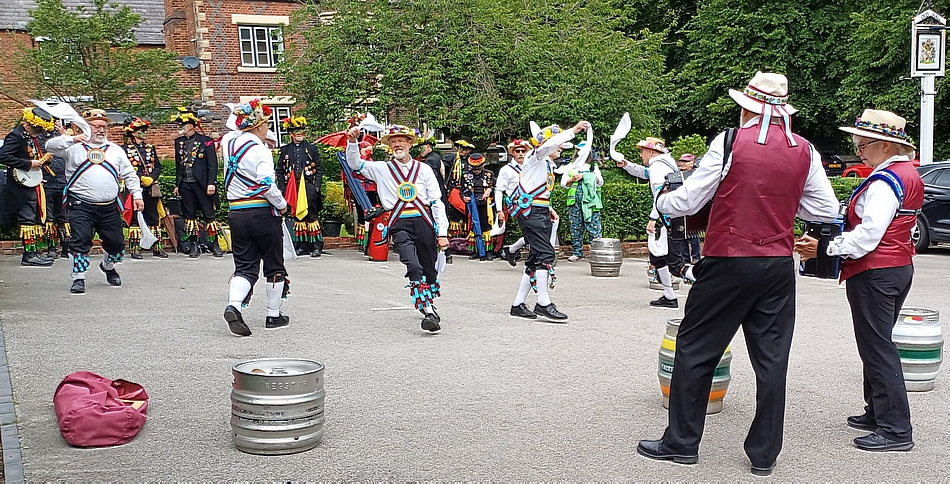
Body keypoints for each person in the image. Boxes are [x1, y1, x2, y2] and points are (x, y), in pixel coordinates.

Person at [637, 71, 840, 476]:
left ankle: (681, 443)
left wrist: (662, 203)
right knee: (772, 361)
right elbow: (826, 210)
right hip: (778, 264)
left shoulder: (730, 140)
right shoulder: (805, 149)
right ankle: (764, 455)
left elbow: (690, 199)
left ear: (747, 107)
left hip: (728, 260)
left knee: (696, 348)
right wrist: (783, 205)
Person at [796, 109, 922, 452]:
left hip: (875, 271)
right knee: (877, 344)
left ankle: (896, 429)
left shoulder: (884, 182)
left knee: (877, 348)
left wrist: (824, 248)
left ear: (884, 145)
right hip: (896, 267)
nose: (858, 151)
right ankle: (878, 413)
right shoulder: (907, 173)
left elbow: (868, 236)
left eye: (862, 144)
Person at [345, 124, 449, 333]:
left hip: (424, 221)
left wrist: (442, 233)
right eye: (393, 142)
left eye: (401, 141)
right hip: (399, 223)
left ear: (410, 144)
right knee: (413, 264)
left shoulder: (424, 169)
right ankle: (428, 312)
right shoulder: (381, 169)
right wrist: (353, 142)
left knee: (429, 268)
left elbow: (436, 201)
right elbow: (355, 164)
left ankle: (428, 303)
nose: (397, 145)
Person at [46, 109, 145, 294]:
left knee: (116, 243)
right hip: (80, 205)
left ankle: (107, 267)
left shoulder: (115, 150)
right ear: (85, 126)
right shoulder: (72, 148)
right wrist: (72, 139)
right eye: (96, 126)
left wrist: (137, 195)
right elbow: (50, 147)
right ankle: (78, 278)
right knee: (80, 240)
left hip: (109, 206)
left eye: (104, 127)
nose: (101, 130)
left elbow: (130, 174)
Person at [221, 100, 291, 337]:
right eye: (266, 125)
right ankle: (273, 315)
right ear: (259, 126)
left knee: (244, 265)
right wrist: (282, 204)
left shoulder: (228, 143)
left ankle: (234, 305)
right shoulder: (261, 151)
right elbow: (266, 184)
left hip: (237, 213)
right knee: (273, 263)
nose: (267, 128)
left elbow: (233, 130)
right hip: (262, 212)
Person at [507, 122, 587, 322]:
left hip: (539, 210)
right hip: (531, 212)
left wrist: (548, 208)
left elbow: (538, 189)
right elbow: (546, 146)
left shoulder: (547, 163)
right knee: (545, 254)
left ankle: (518, 304)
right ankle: (543, 303)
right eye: (558, 145)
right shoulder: (535, 156)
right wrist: (572, 131)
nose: (560, 148)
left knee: (536, 256)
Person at [631, 137, 690, 308]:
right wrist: (626, 164)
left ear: (651, 152)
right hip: (672, 218)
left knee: (675, 264)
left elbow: (660, 195)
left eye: (642, 151)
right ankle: (669, 296)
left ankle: (707, 288)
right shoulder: (665, 164)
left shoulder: (657, 167)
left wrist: (652, 219)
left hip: (669, 219)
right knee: (657, 257)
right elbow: (644, 173)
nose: (641, 155)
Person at [0, 106, 58, 267]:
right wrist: (28, 164)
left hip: (32, 183)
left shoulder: (29, 137)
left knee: (32, 218)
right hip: (20, 185)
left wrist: (44, 161)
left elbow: (33, 156)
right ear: (29, 124)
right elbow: (2, 156)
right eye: (38, 130)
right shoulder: (16, 136)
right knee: (27, 218)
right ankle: (29, 255)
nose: (39, 133)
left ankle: (33, 252)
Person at [171, 107, 223, 258]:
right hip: (185, 184)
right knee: (190, 215)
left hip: (202, 184)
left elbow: (212, 165)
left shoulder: (205, 141)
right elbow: (178, 166)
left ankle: (214, 244)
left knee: (209, 214)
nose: (181, 127)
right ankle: (194, 245)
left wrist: (211, 183)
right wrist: (177, 184)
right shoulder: (179, 142)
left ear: (192, 126)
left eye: (184, 125)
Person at [277, 115, 325, 258]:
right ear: (291, 134)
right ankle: (302, 246)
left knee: (312, 216)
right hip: (293, 188)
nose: (300, 134)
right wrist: (283, 188)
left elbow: (319, 169)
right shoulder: (285, 150)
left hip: (309, 186)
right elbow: (280, 170)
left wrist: (316, 187)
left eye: (302, 131)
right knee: (297, 218)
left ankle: (316, 246)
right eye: (297, 132)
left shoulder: (312, 148)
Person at [122, 118, 168, 259]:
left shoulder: (150, 148)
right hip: (134, 188)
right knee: (135, 219)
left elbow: (158, 167)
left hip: (150, 188)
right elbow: (123, 169)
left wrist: (152, 178)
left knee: (153, 217)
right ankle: (135, 249)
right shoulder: (124, 150)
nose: (145, 133)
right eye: (142, 131)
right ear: (133, 133)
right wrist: (140, 177)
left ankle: (157, 248)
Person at [561, 141, 603, 262]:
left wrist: (585, 177)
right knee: (575, 227)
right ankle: (577, 252)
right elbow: (564, 184)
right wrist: (571, 180)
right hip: (574, 202)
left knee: (593, 227)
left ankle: (596, 252)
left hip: (590, 202)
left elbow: (600, 182)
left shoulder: (593, 166)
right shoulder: (571, 166)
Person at [495, 139, 531, 266]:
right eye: (518, 151)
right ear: (512, 153)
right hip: (517, 206)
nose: (521, 153)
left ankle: (511, 249)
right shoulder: (506, 169)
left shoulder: (530, 167)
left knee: (535, 233)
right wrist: (499, 210)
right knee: (532, 232)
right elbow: (499, 190)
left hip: (533, 204)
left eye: (523, 151)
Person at [462, 152, 495, 260]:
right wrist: (464, 197)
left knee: (486, 227)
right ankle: (476, 251)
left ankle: (488, 251)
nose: (476, 170)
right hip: (472, 205)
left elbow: (497, 186)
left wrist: (489, 190)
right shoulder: (465, 175)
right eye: (474, 168)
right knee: (474, 227)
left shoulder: (489, 174)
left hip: (486, 205)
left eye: (479, 168)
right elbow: (462, 190)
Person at [444, 137, 475, 241]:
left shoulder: (471, 161)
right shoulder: (452, 159)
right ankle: (455, 239)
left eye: (464, 149)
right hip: (455, 190)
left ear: (469, 150)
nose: (461, 151)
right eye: (460, 148)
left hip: (467, 190)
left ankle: (466, 237)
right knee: (454, 215)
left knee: (467, 214)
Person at [677, 153, 702, 264]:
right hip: (680, 205)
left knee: (693, 232)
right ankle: (685, 257)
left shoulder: (696, 174)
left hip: (693, 205)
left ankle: (696, 257)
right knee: (682, 232)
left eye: (686, 161)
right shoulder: (677, 174)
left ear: (692, 163)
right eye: (682, 161)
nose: (683, 163)